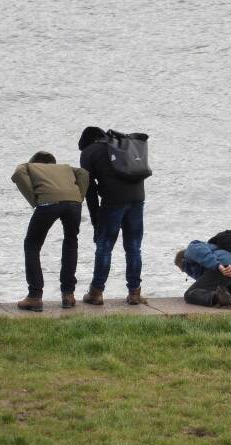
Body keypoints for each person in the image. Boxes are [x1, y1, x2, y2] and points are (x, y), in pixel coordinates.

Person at [11, 151, 88, 311]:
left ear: (35, 163)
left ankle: (34, 296)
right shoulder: (65, 168)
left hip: (48, 203)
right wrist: (79, 197)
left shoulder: (30, 166)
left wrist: (35, 200)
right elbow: (83, 173)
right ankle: (68, 295)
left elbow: (18, 173)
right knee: (71, 243)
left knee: (32, 245)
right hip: (73, 203)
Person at [78, 127, 147, 305]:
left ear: (87, 142)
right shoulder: (122, 146)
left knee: (104, 246)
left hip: (113, 201)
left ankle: (96, 292)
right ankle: (134, 293)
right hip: (137, 197)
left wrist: (95, 221)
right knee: (133, 247)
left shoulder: (89, 152)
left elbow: (90, 190)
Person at [174, 239, 231, 309]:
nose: (187, 272)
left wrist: (219, 266)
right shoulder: (212, 248)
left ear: (182, 260)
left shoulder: (189, 250)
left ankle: (220, 299)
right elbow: (207, 285)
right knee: (219, 289)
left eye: (184, 269)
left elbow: (200, 251)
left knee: (189, 294)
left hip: (227, 267)